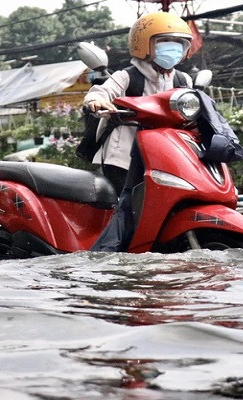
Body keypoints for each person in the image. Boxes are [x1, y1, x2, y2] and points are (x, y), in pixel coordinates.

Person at [87, 11, 193, 252]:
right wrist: (98, 102)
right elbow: (101, 92)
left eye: (180, 43)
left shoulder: (183, 79)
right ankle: (108, 250)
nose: (173, 49)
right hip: (123, 156)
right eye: (165, 42)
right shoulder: (127, 76)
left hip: (167, 157)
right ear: (144, 43)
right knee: (130, 206)